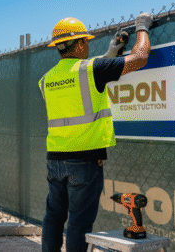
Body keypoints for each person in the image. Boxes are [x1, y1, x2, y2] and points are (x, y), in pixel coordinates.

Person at [38, 13, 153, 252]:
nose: (89, 46)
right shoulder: (92, 69)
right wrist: (142, 27)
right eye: (87, 41)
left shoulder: (46, 80)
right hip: (85, 160)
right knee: (79, 222)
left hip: (55, 159)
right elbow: (140, 57)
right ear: (80, 43)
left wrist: (110, 53)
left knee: (54, 216)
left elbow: (78, 78)